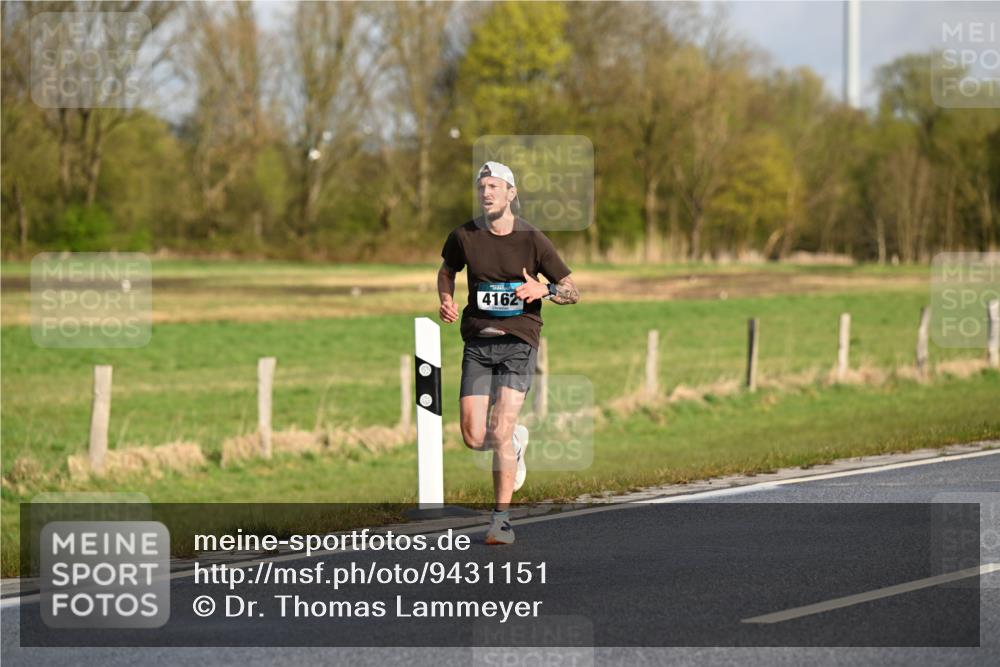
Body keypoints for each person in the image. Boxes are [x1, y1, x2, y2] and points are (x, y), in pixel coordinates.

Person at [438, 161, 580, 545]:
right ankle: (515, 441)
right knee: (472, 435)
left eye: (494, 187)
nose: (486, 193)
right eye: (482, 186)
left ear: (511, 193)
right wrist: (446, 299)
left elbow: (573, 291)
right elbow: (447, 270)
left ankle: (500, 521)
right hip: (478, 343)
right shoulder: (464, 236)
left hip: (519, 340)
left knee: (498, 429)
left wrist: (544, 291)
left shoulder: (532, 239)